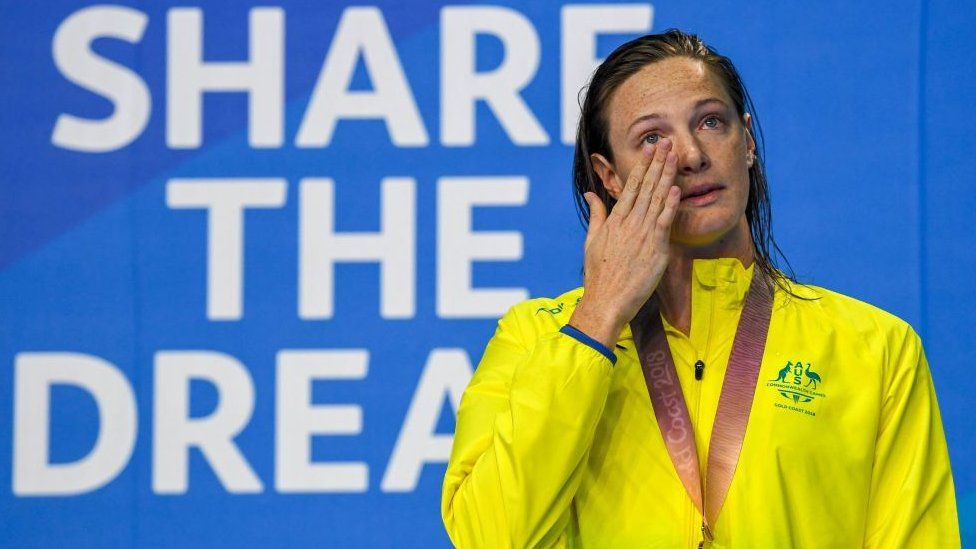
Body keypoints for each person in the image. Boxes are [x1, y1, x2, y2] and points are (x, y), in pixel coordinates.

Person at [441, 29, 960, 548]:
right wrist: (597, 319)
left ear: (748, 142)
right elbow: (492, 538)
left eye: (711, 122)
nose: (690, 154)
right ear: (610, 176)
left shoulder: (876, 349)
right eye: (651, 138)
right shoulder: (536, 339)